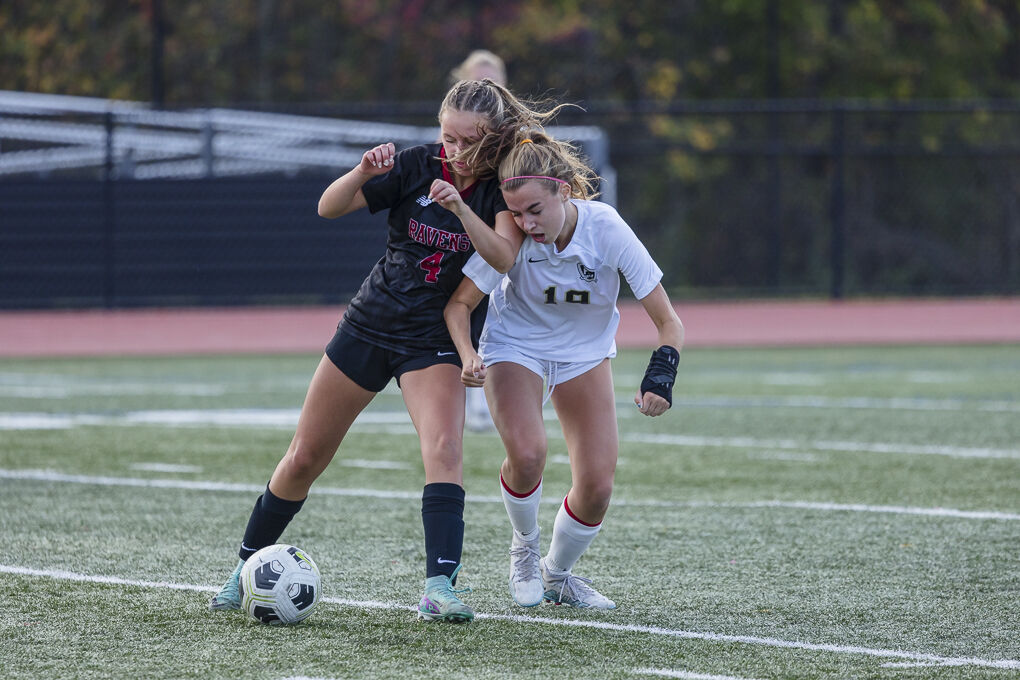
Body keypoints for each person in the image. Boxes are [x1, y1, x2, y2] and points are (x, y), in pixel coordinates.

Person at [208, 79, 552, 624]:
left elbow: (505, 258)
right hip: (369, 325)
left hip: (432, 341)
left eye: (469, 141)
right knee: (304, 456)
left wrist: (462, 209)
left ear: (496, 139)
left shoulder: (500, 187)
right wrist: (363, 171)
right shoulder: (416, 164)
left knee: (445, 449)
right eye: (449, 138)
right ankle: (244, 570)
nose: (456, 151)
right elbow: (327, 207)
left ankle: (440, 587)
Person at [442, 129, 684, 609]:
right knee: (529, 454)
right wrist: (469, 355)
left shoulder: (606, 229)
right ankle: (524, 550)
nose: (526, 223)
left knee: (596, 486)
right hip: (516, 347)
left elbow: (668, 322)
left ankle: (557, 575)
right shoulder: (511, 236)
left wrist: (661, 375)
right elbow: (459, 305)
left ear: (565, 191)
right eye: (516, 213)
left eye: (536, 210)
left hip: (584, 355)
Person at [447, 50, 507, 432]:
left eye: (493, 80)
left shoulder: (512, 140)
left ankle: (496, 392)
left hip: (500, 235)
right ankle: (470, 391)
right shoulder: (453, 137)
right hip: (462, 236)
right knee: (464, 308)